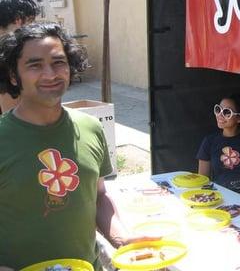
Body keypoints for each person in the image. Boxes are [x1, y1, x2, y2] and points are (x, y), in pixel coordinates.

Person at [0, 23, 150, 270]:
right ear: (14, 75)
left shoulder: (90, 127)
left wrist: (121, 239)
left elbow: (98, 194)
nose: (50, 74)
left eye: (59, 62)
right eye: (35, 65)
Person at [0, 0, 39, 113]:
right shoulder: (7, 53)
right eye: (31, 20)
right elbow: (11, 110)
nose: (33, 26)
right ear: (18, 19)